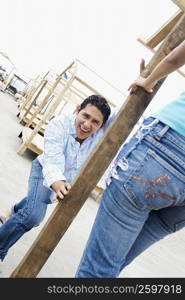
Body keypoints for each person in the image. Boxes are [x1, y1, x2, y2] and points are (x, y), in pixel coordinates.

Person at [75, 40, 185, 278]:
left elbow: (172, 59)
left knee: (99, 270)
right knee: (111, 267)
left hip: (167, 149)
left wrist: (148, 80)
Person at [0, 94, 112, 261]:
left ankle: (15, 210)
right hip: (45, 170)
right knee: (33, 216)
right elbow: (52, 159)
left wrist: (143, 85)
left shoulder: (100, 134)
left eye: (95, 122)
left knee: (35, 202)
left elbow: (123, 114)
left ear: (102, 125)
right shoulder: (58, 124)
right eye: (85, 116)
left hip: (65, 181)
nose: (87, 125)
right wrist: (58, 183)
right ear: (77, 110)